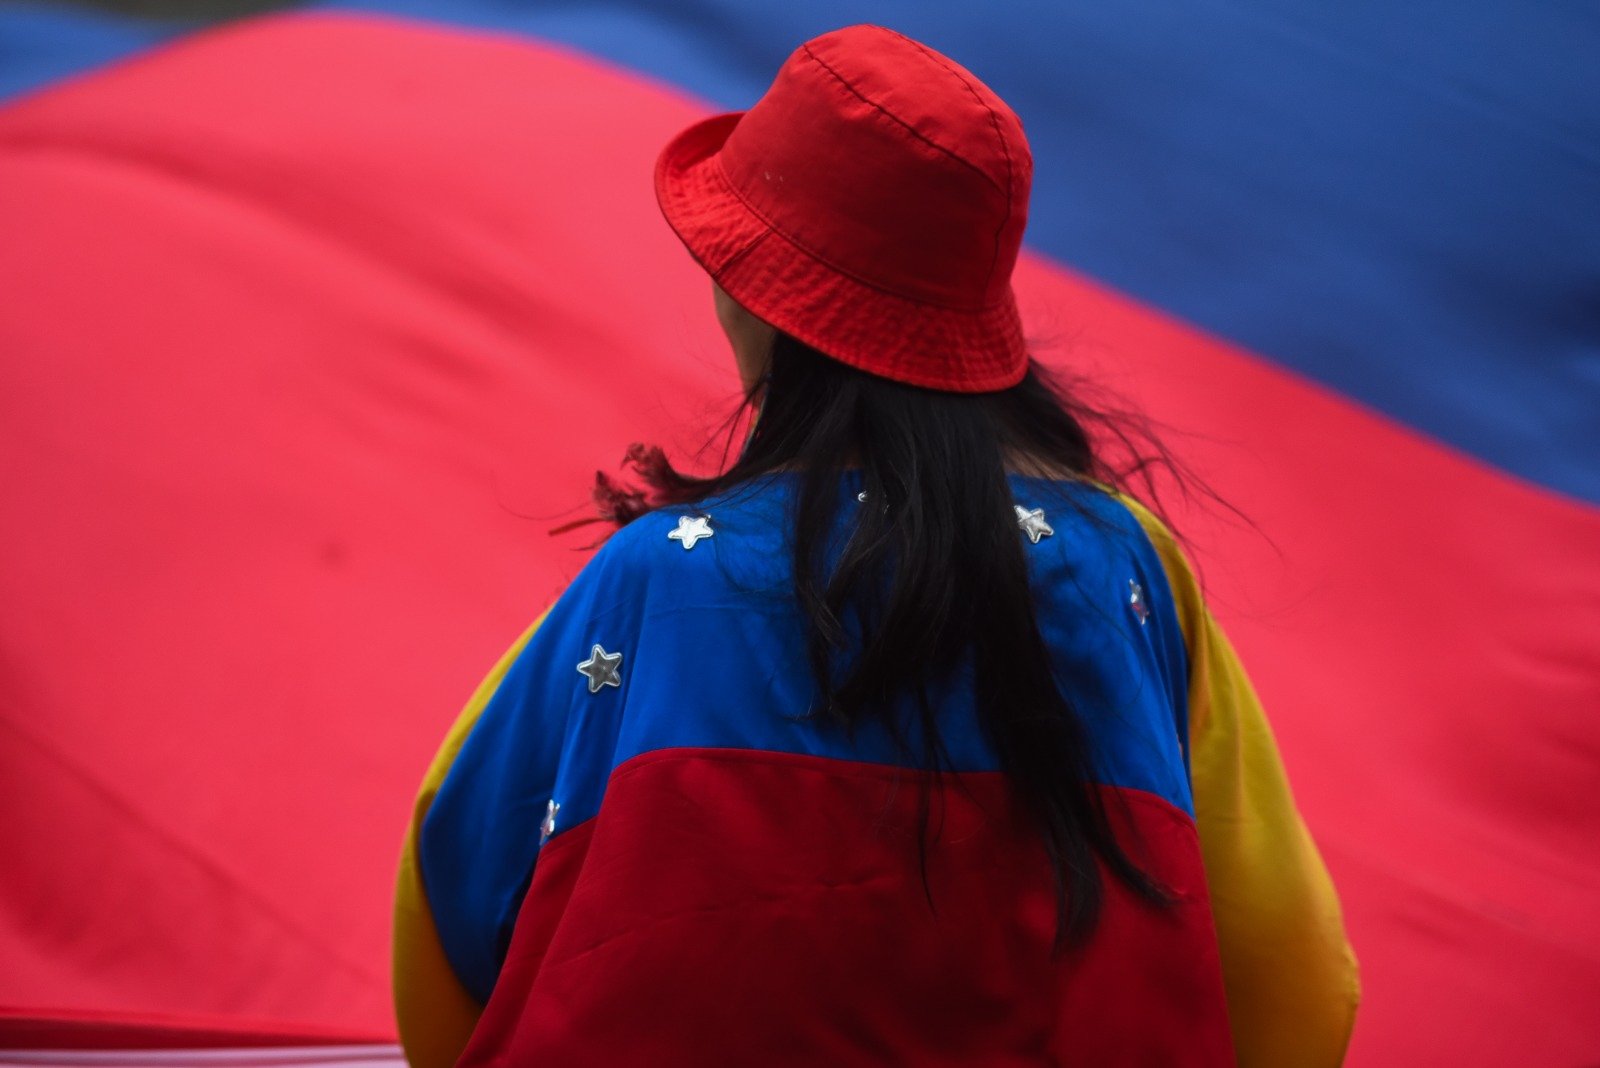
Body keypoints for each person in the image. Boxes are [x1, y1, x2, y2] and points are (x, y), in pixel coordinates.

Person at [392, 24, 1358, 1067]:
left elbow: (452, 896)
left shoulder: (656, 580)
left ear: (751, 291)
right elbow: (1298, 981)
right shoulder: (1127, 569)